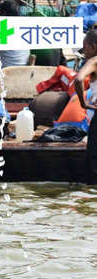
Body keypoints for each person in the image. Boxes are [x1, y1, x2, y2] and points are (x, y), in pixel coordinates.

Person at [0, 0, 30, 81]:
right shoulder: (24, 27)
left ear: (3, 13)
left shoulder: (2, 28)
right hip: (22, 74)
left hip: (5, 78)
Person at [74, 29, 97, 185]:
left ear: (94, 46)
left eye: (85, 46)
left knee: (94, 164)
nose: (84, 51)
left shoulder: (94, 61)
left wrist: (83, 103)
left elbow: (79, 79)